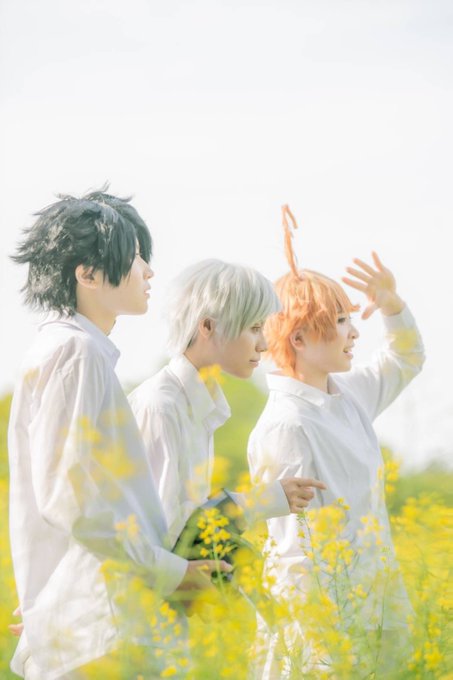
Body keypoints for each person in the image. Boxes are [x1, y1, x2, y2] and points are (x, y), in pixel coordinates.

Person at [8, 190, 230, 680]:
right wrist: (172, 573)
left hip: (86, 624)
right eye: (134, 258)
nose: (148, 272)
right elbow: (74, 501)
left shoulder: (68, 349)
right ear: (88, 274)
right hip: (97, 632)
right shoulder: (76, 353)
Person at [247, 206, 425, 677]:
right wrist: (325, 651)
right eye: (342, 320)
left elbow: (406, 358)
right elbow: (293, 549)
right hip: (326, 633)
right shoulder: (286, 424)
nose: (354, 332)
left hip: (377, 609)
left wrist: (392, 305)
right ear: (299, 338)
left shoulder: (348, 394)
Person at [128, 259, 326, 553]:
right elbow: (157, 534)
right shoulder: (161, 406)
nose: (263, 345)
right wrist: (261, 501)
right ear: (208, 326)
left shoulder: (198, 405)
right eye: (254, 328)